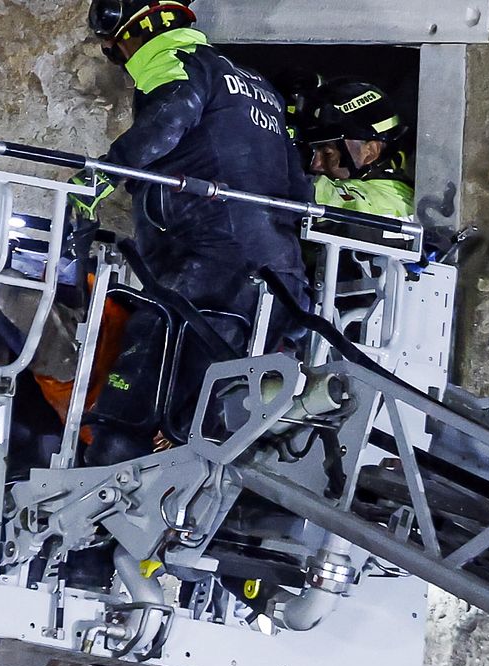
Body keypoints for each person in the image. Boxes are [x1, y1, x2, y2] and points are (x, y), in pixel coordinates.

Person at [75, 0, 312, 467]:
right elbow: (299, 187)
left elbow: (169, 119)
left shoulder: (176, 59)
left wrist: (97, 179)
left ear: (128, 34)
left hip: (206, 269)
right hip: (279, 278)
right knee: (213, 416)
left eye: (113, 51)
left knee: (135, 403)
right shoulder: (258, 88)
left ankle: (95, 517)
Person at [300, 79, 415, 219]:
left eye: (327, 153)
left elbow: (311, 195)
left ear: (370, 152)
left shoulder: (389, 201)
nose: (315, 165)